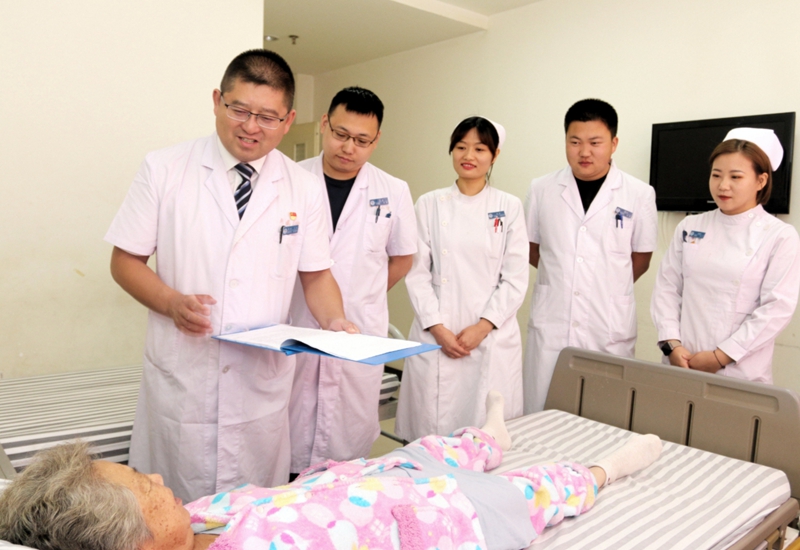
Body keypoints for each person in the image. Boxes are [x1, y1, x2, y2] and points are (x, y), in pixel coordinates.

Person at [104, 49, 357, 502]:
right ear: (217, 100)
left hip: (259, 387)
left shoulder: (302, 186)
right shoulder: (164, 168)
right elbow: (124, 261)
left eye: (267, 117)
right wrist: (171, 303)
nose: (251, 127)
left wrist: (335, 321)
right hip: (185, 379)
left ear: (288, 120)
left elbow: (317, 276)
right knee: (169, 514)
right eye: (239, 109)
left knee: (252, 513)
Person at [0, 392, 663, 550]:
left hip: (370, 480)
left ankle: (490, 436)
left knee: (434, 449)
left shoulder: (195, 519)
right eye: (147, 490)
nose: (160, 481)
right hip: (436, 521)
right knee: (529, 492)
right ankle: (604, 471)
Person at [287, 87, 417, 475]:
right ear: (324, 124)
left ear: (376, 141)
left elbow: (403, 258)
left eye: (362, 140)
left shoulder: (393, 190)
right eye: (341, 134)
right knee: (286, 439)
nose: (349, 148)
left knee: (347, 452)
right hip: (297, 323)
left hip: (359, 328)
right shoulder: (290, 179)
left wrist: (365, 294)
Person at [395, 117, 529, 442]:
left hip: (491, 335)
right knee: (431, 438)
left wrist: (483, 326)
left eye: (479, 149)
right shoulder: (429, 204)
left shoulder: (508, 207)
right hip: (436, 333)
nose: (468, 156)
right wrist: (438, 328)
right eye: (461, 147)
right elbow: (416, 273)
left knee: (486, 436)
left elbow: (515, 278)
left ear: (494, 155)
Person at [524, 99, 658, 413]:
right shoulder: (542, 188)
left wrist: (605, 282)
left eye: (595, 143)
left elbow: (641, 257)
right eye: (575, 142)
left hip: (606, 322)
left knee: (605, 412)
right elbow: (530, 247)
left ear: (613, 144)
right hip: (553, 320)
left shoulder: (638, 193)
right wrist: (565, 275)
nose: (584, 152)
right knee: (543, 408)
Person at [651, 128, 800, 383]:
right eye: (716, 175)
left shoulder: (780, 236)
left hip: (739, 371)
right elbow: (667, 289)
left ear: (761, 181)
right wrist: (671, 345)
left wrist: (721, 356)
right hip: (682, 362)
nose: (723, 185)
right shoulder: (690, 226)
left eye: (736, 177)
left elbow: (776, 309)